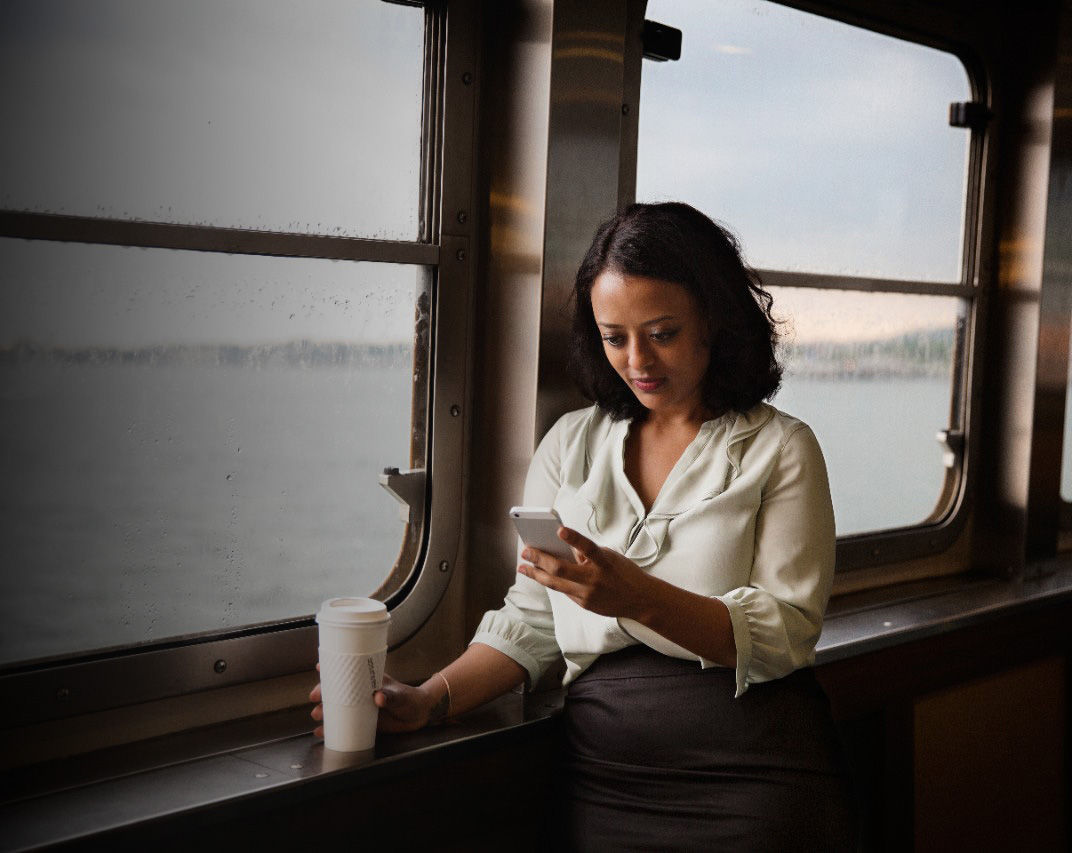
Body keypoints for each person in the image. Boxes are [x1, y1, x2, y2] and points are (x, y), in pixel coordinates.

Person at [311, 201, 857, 849]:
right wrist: (430, 697)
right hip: (609, 781)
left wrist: (637, 597)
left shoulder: (781, 448)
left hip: (755, 776)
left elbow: (784, 630)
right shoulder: (571, 445)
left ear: (715, 319)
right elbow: (532, 620)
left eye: (663, 332)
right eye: (614, 336)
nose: (638, 360)